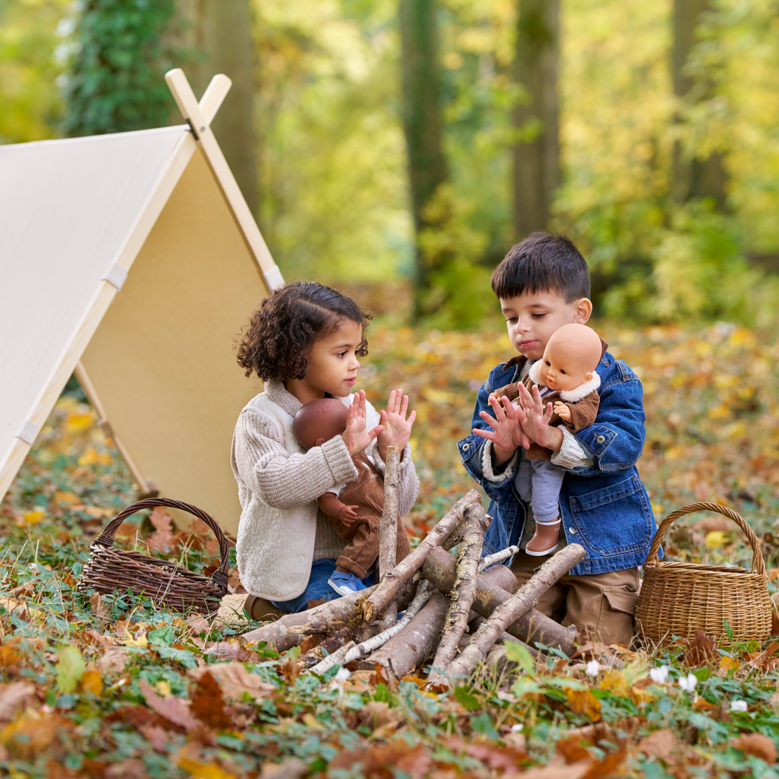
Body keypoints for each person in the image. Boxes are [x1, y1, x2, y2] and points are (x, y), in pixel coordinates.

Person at [458, 232, 657, 646]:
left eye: (537, 313)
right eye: (511, 317)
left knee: (597, 646)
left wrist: (551, 438)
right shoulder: (503, 382)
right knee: (507, 636)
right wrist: (503, 446)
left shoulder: (613, 380)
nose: (522, 328)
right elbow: (480, 459)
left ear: (579, 312)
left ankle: (590, 623)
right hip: (526, 547)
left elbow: (623, 446)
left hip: (602, 551)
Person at [231, 282, 418, 615]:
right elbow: (275, 487)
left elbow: (397, 507)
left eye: (356, 351)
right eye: (341, 353)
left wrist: (392, 454)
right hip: (300, 572)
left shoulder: (358, 412)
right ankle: (264, 604)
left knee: (414, 597)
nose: (355, 363)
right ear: (295, 357)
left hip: (363, 559)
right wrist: (341, 450)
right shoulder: (261, 419)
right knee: (345, 611)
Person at [492, 323, 603, 556]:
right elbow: (516, 388)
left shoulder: (581, 393)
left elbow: (588, 412)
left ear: (585, 377)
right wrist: (500, 395)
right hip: (524, 449)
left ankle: (547, 529)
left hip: (548, 455)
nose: (551, 373)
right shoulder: (537, 379)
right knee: (523, 486)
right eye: (549, 363)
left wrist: (570, 413)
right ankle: (536, 506)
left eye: (563, 371)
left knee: (544, 490)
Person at [291, 398, 411, 595]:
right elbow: (325, 498)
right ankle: (344, 574)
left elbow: (388, 481)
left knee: (398, 538)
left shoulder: (365, 458)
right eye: (346, 428)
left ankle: (399, 583)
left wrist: (389, 452)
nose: (357, 429)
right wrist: (339, 510)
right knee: (377, 527)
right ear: (326, 444)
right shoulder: (335, 468)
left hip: (383, 515)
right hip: (357, 519)